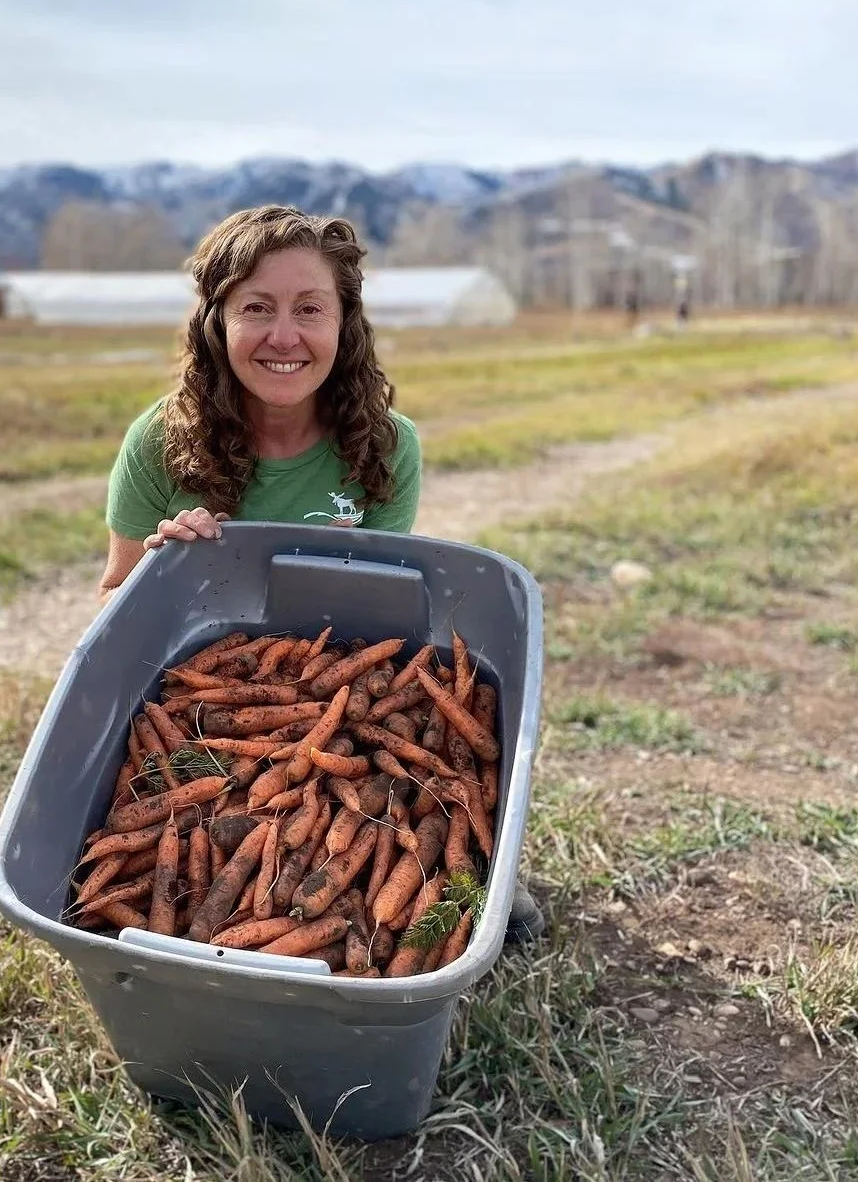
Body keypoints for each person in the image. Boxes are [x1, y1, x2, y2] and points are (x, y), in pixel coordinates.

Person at [99, 203, 544, 945]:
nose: (284, 336)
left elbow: (372, 615)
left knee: (435, 784)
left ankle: (457, 892)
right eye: (256, 308)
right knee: (151, 786)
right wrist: (159, 568)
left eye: (310, 308)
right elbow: (112, 608)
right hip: (197, 701)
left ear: (345, 323)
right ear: (216, 322)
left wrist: (332, 721)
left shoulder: (386, 447)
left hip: (338, 686)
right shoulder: (157, 443)